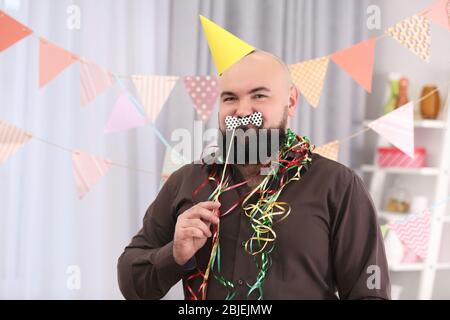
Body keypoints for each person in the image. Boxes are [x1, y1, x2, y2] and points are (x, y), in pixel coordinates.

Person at [117, 50, 391, 300]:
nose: (242, 111)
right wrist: (174, 254)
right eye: (230, 98)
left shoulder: (338, 186)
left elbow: (370, 293)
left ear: (291, 101)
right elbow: (133, 285)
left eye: (259, 95)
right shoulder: (186, 181)